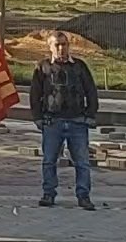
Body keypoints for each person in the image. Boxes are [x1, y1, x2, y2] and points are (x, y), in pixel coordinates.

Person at [32, 30, 99, 210]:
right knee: (49, 161)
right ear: (50, 47)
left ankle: (83, 196)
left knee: (82, 162)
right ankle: (49, 194)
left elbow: (91, 91)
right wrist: (37, 118)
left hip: (77, 122)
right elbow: (35, 94)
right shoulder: (43, 67)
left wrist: (90, 115)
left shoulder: (79, 66)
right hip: (52, 122)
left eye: (64, 44)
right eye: (57, 44)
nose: (61, 48)